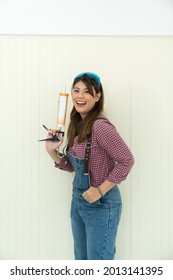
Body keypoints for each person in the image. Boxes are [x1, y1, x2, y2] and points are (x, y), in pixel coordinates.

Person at [45, 72, 134, 260]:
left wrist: (100, 190)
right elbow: (74, 168)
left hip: (101, 205)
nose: (79, 96)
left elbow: (127, 160)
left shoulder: (100, 127)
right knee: (82, 263)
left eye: (86, 92)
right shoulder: (77, 124)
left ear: (97, 96)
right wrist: (52, 150)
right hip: (78, 203)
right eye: (76, 90)